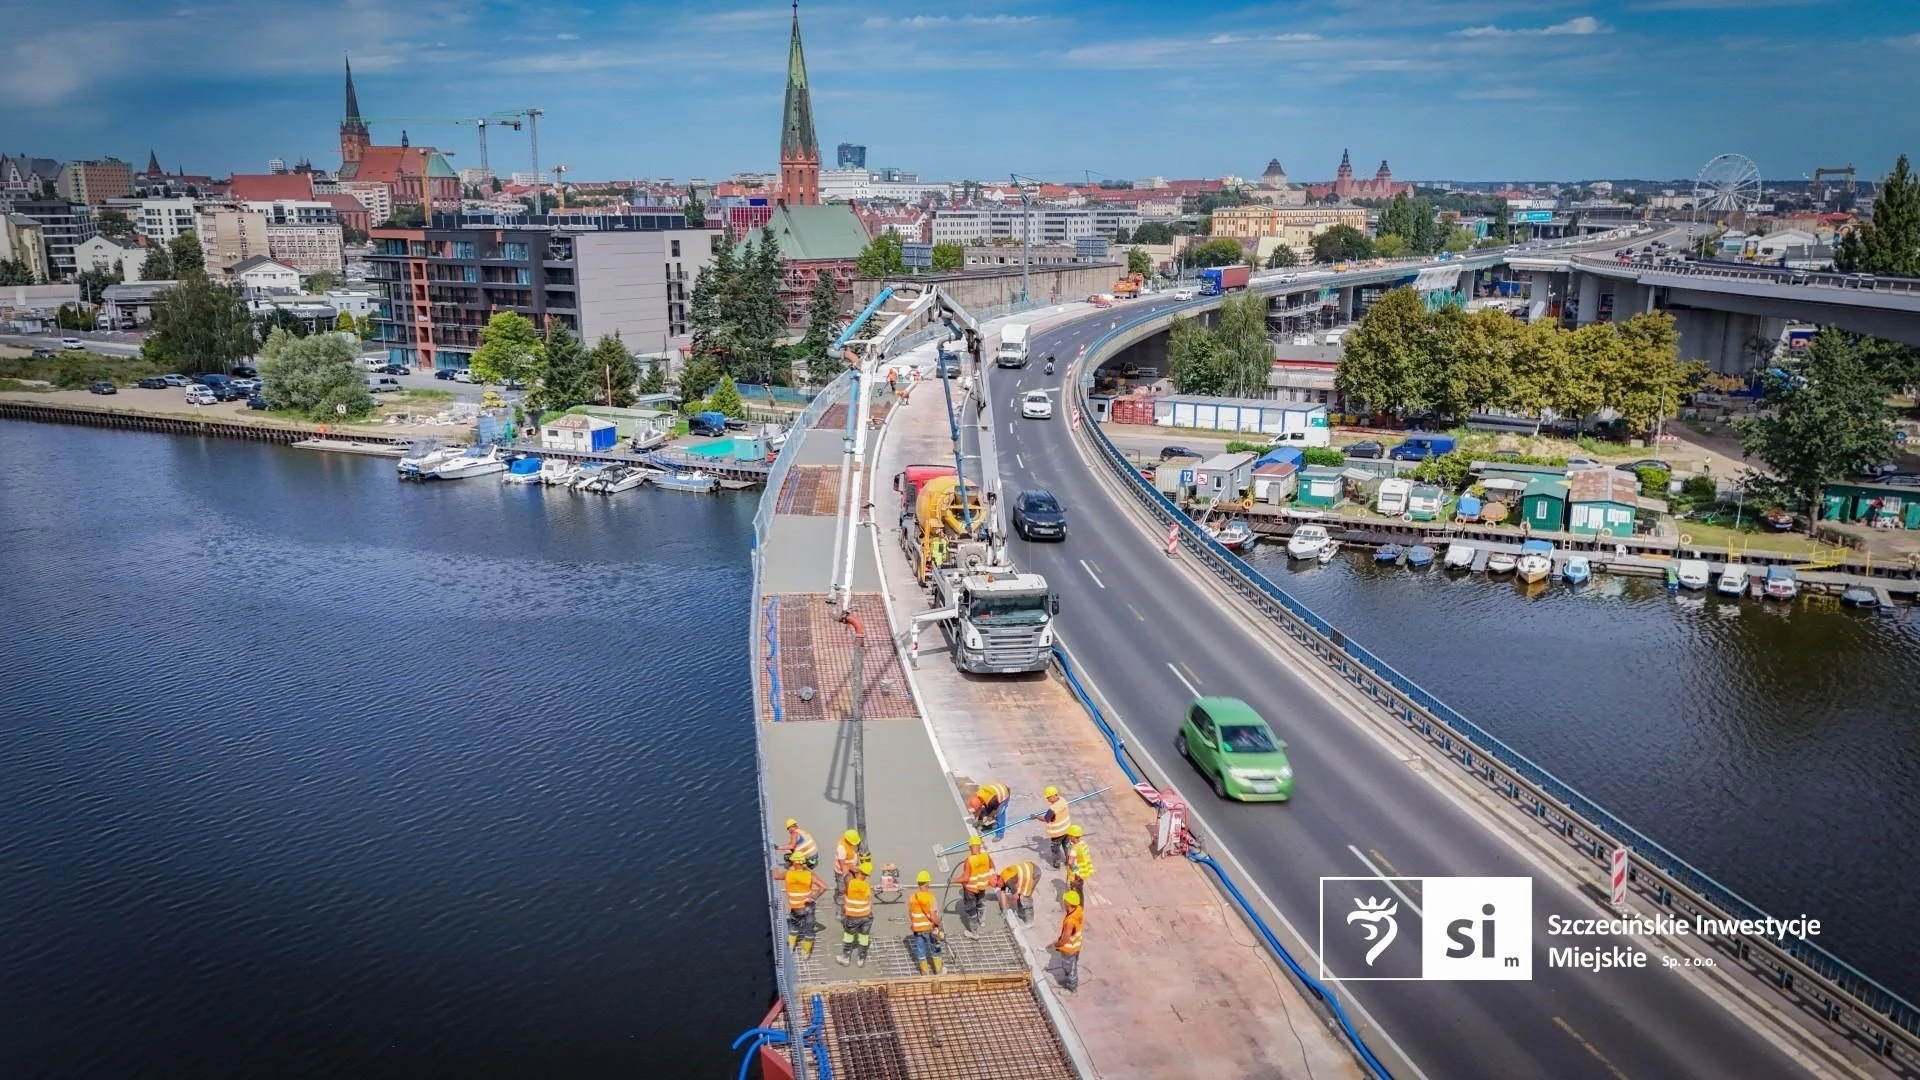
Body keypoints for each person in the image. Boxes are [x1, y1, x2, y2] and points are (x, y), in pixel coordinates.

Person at [774, 851, 827, 957]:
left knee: (794, 926)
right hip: (808, 906)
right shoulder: (809, 874)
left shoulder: (788, 874)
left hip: (795, 907)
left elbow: (776, 876)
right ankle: (805, 953)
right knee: (809, 929)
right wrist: (813, 897)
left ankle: (791, 947)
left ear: (794, 862)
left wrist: (774, 867)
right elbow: (823, 886)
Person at [953, 835, 996, 938]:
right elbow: (992, 867)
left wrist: (953, 880)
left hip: (971, 890)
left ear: (970, 847)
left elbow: (965, 878)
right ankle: (982, 921)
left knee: (971, 910)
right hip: (982, 887)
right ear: (979, 845)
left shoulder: (969, 860)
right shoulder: (986, 856)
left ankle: (974, 933)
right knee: (980, 903)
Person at [837, 859, 875, 967]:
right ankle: (861, 959)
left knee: (848, 936)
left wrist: (850, 867)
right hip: (866, 915)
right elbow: (869, 901)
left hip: (853, 916)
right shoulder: (866, 886)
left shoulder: (851, 883)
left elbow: (845, 874)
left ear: (859, 871)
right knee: (864, 937)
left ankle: (845, 958)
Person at [907, 870, 945, 975]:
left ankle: (925, 973)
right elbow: (933, 916)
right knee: (935, 949)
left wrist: (914, 924)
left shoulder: (912, 897)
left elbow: (911, 913)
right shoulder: (930, 897)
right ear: (927, 883)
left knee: (921, 951)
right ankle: (939, 971)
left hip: (917, 929)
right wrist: (939, 924)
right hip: (929, 928)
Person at [1053, 890, 1085, 992]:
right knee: (1072, 965)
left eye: (1065, 901)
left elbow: (1065, 938)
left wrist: (1057, 944)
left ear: (1068, 903)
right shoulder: (1078, 910)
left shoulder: (1070, 921)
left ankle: (1072, 985)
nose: (1063, 903)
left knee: (1069, 967)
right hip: (1076, 945)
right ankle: (1071, 982)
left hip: (1069, 948)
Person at [1041, 786, 1073, 869]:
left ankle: (1057, 863)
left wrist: (1036, 817)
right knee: (1067, 846)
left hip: (1057, 833)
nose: (1048, 800)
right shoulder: (1063, 800)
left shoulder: (1053, 808)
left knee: (1055, 849)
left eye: (1048, 798)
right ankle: (1069, 861)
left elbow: (1046, 819)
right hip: (1067, 829)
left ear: (1053, 796)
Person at [1066, 824, 1094, 903]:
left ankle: (1076, 907)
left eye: (1069, 835)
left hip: (1076, 876)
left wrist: (1076, 874)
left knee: (1075, 893)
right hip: (1083, 873)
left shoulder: (1074, 849)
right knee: (1080, 891)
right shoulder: (1083, 844)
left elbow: (1070, 863)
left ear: (1073, 836)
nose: (1068, 837)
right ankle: (1080, 905)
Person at [833, 829, 862, 898]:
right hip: (842, 871)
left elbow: (854, 853)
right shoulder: (841, 848)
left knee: (852, 886)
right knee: (842, 889)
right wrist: (852, 870)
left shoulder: (852, 841)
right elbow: (843, 866)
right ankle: (840, 898)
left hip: (852, 868)